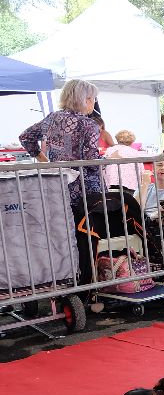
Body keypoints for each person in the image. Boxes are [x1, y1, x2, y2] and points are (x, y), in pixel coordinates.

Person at [19, 79, 104, 287]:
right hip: (86, 189)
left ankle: (63, 279)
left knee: (62, 235)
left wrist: (44, 161)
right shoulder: (89, 124)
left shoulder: (52, 118)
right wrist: (107, 162)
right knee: (87, 237)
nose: (93, 102)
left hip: (58, 186)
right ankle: (86, 283)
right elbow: (91, 161)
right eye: (92, 98)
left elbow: (25, 137)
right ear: (85, 99)